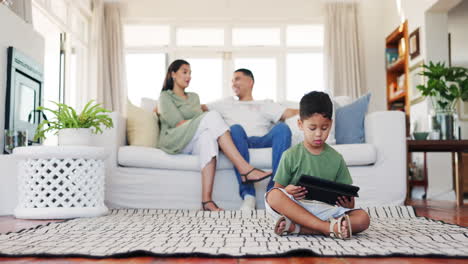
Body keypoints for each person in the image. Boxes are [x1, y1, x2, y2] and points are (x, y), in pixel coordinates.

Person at [157, 60, 272, 211]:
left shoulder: (194, 97)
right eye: (184, 72)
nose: (188, 76)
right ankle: (245, 169)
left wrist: (197, 122)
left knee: (207, 139)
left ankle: (206, 201)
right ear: (173, 74)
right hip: (174, 139)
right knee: (212, 117)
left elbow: (199, 121)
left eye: (190, 73)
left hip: (191, 138)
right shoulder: (165, 96)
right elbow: (176, 122)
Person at [265, 91, 370, 239]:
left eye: (324, 128)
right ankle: (327, 228)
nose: (319, 134)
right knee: (273, 196)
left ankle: (301, 229)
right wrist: (288, 191)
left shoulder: (336, 158)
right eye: (312, 128)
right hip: (297, 209)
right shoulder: (290, 155)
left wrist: (347, 203)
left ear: (331, 124)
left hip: (326, 210)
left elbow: (349, 203)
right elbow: (278, 190)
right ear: (300, 124)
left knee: (363, 218)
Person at [204, 69, 298, 211]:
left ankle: (275, 189)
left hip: (263, 140)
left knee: (282, 128)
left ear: (250, 82)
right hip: (240, 140)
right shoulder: (225, 103)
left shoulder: (264, 103)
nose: (233, 83)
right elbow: (198, 108)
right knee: (235, 129)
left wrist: (314, 106)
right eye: (232, 81)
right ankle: (249, 196)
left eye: (237, 79)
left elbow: (289, 113)